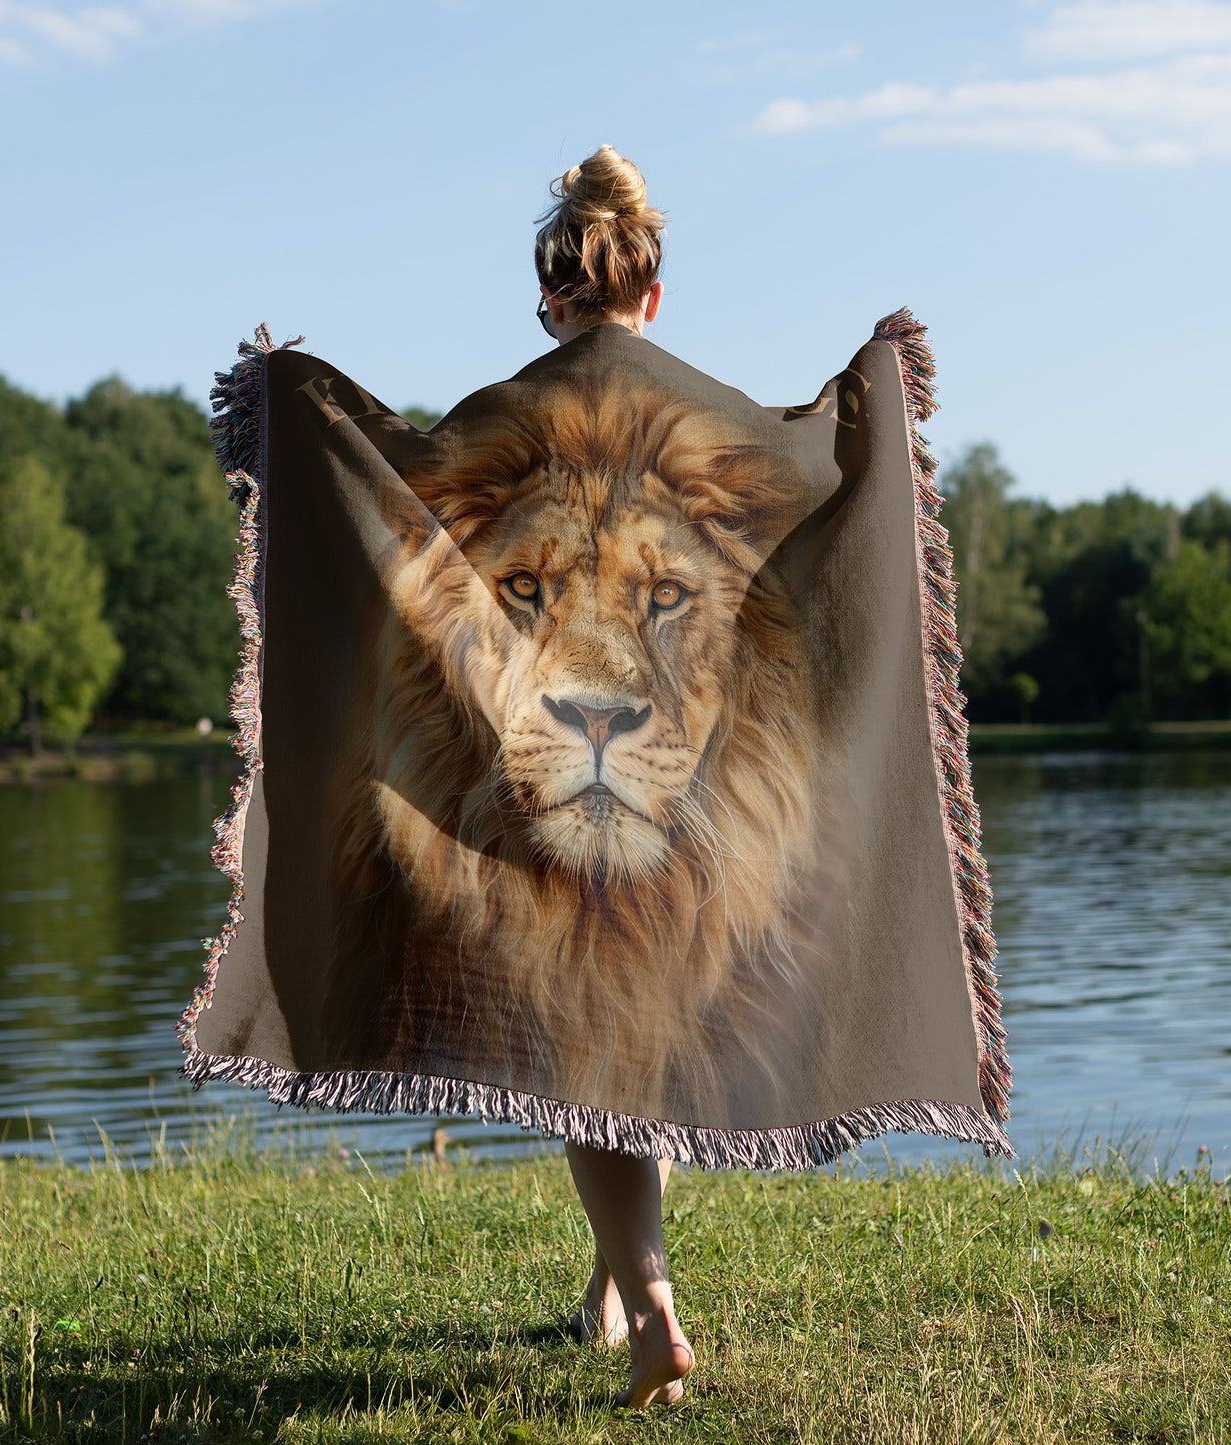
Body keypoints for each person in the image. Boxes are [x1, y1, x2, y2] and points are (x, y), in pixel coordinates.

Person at [530, 143, 694, 1411]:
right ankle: (605, 1288)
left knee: (582, 1044)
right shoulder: (705, 415)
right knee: (630, 1024)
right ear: (651, 291)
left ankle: (650, 1308)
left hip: (557, 751)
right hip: (684, 758)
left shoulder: (514, 412)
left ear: (551, 300)